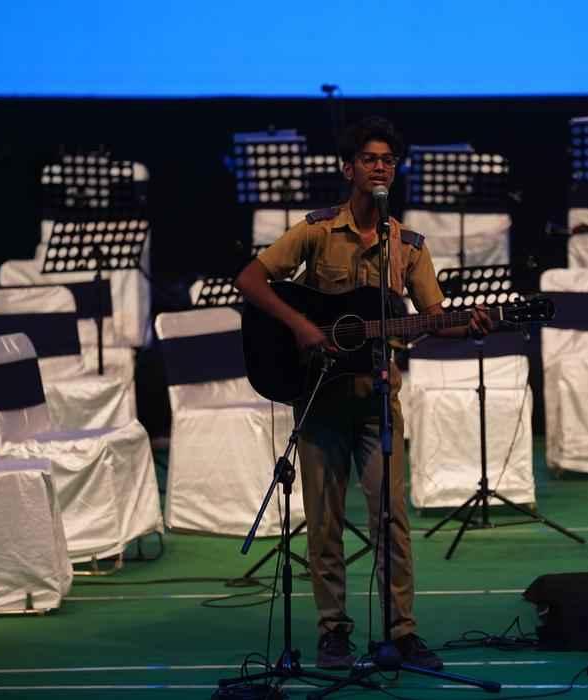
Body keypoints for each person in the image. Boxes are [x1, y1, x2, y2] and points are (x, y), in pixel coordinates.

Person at [235, 116, 493, 671]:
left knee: (390, 520)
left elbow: (431, 318)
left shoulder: (409, 246)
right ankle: (333, 631)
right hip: (320, 398)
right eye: (370, 159)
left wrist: (467, 323)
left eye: (388, 160)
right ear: (348, 168)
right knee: (324, 523)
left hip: (378, 401)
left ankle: (402, 632)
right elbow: (250, 280)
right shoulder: (317, 230)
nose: (380, 167)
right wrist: (303, 327)